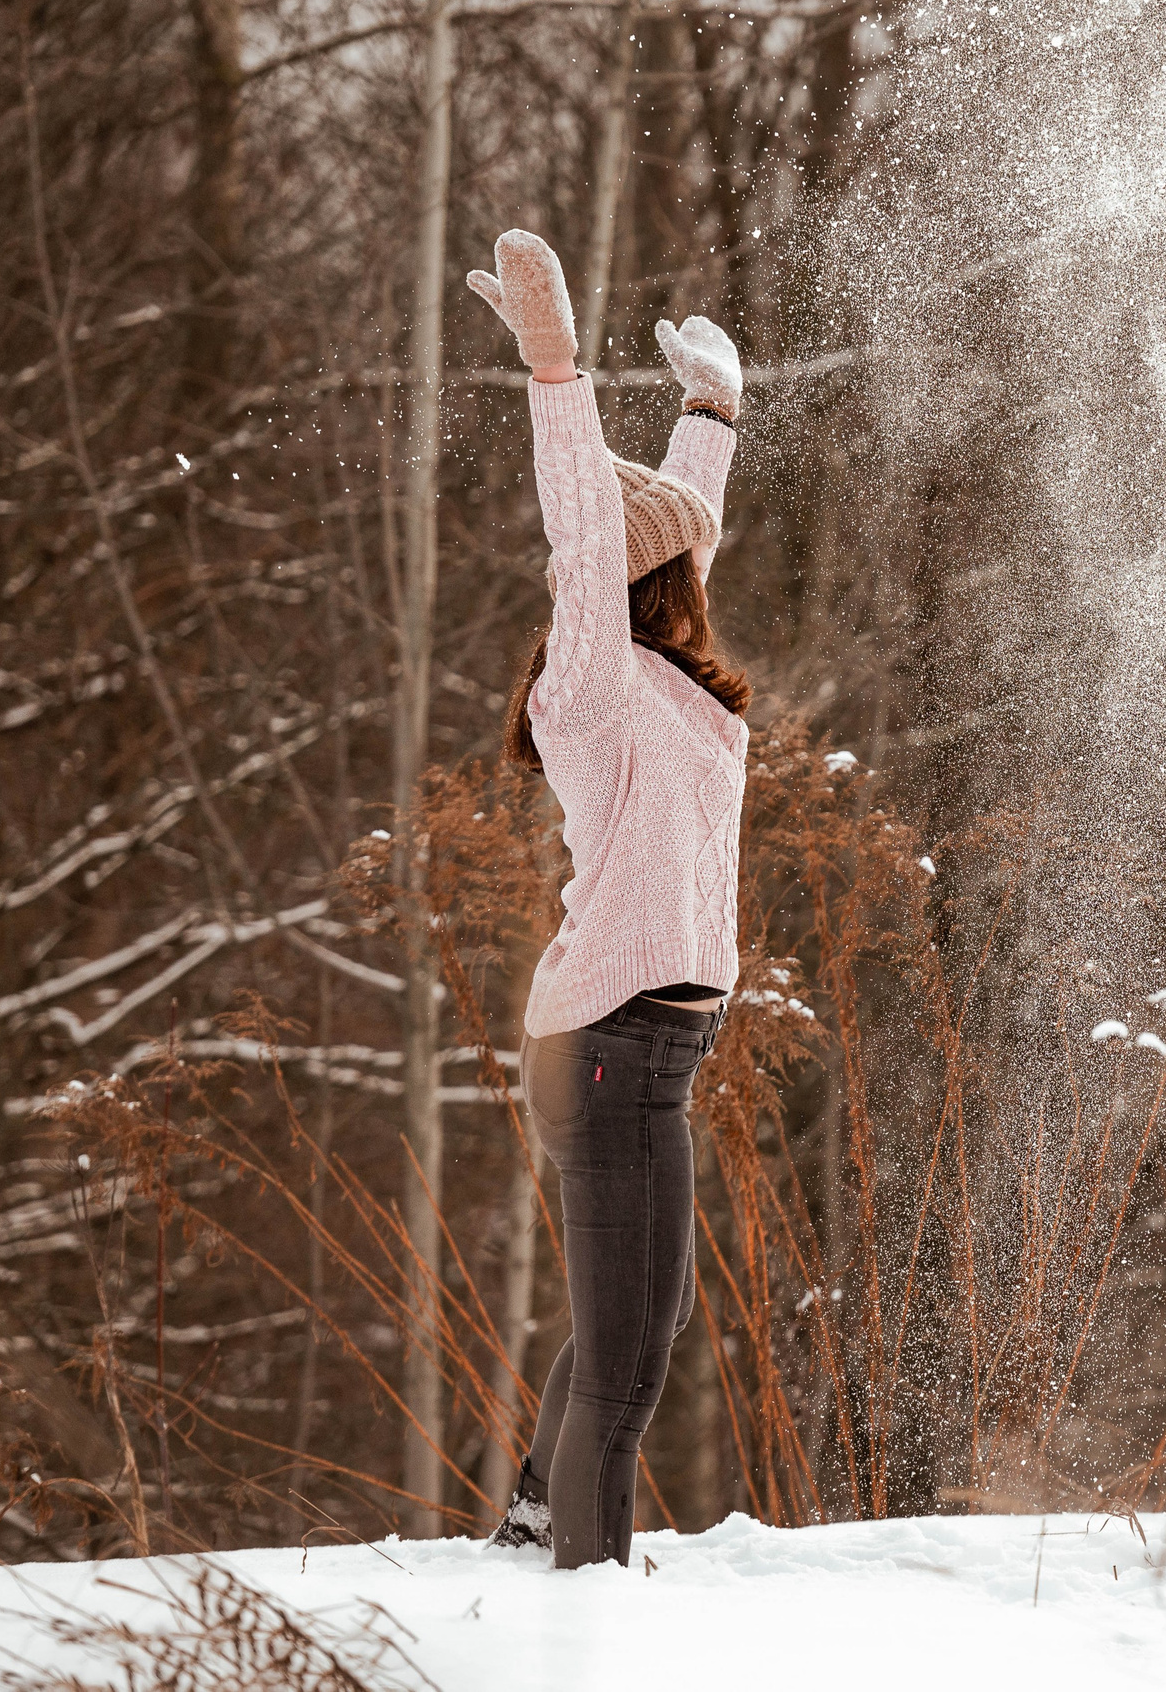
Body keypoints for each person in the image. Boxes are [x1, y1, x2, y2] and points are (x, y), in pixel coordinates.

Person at [463, 229, 750, 1569]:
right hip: (609, 1047)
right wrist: (555, 372)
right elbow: (591, 534)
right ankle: (579, 1596)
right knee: (629, 1362)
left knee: (639, 1322)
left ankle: (538, 1526)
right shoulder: (589, 683)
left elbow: (660, 533)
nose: (698, 570)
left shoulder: (667, 684)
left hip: (654, 1049)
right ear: (647, 577)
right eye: (681, 557)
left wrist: (712, 419)